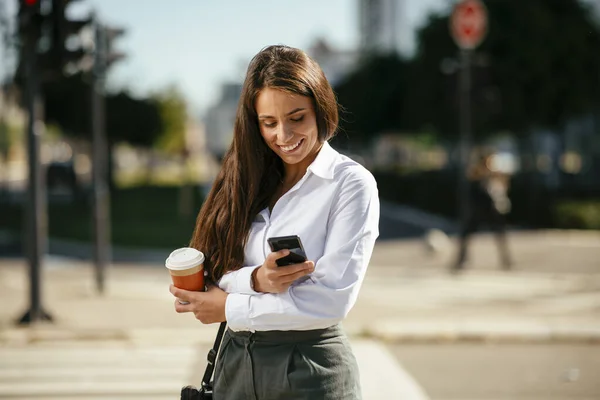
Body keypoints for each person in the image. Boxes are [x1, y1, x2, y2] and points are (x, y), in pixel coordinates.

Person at [169, 45, 380, 399]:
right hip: (235, 363)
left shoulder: (349, 183)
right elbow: (217, 266)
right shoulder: (244, 178)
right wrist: (257, 279)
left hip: (308, 368)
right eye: (269, 123)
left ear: (320, 109)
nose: (283, 135)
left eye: (297, 118)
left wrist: (228, 305)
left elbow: (330, 301)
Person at [452, 150, 513, 272]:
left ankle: (506, 260)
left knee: (500, 234)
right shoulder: (477, 172)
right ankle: (461, 260)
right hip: (478, 209)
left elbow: (503, 184)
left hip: (491, 209)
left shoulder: (494, 173)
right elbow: (471, 177)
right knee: (466, 234)